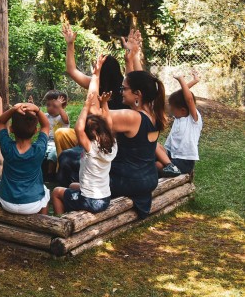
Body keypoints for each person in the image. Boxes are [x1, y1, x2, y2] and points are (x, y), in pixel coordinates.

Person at [52, 56, 118, 214]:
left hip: (90, 200)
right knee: (72, 186)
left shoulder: (91, 148)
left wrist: (86, 106)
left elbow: (78, 128)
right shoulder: (112, 145)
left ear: (88, 135)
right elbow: (108, 123)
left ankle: (62, 221)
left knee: (56, 192)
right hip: (105, 198)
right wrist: (104, 103)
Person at [105, 69, 168, 218]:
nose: (121, 92)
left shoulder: (132, 117)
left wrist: (95, 80)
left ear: (137, 94)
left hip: (129, 181)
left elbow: (95, 116)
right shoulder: (154, 113)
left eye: (124, 88)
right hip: (149, 178)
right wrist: (132, 58)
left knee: (76, 171)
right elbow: (143, 80)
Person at [0, 102, 50, 215]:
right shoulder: (39, 149)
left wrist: (13, 109)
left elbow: (0, 122)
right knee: (46, 191)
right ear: (35, 131)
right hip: (32, 204)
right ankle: (42, 219)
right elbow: (46, 126)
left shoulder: (6, 147)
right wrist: (37, 110)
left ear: (11, 129)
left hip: (7, 203)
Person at [156, 71, 202, 176]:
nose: (170, 111)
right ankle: (169, 166)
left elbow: (189, 99)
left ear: (183, 110)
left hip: (184, 162)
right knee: (154, 145)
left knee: (157, 165)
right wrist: (194, 81)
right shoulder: (179, 117)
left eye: (173, 109)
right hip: (170, 155)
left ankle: (169, 168)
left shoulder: (193, 119)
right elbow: (180, 94)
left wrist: (181, 79)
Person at [43, 91, 69, 178]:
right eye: (48, 105)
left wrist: (60, 107)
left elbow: (66, 120)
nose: (50, 108)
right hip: (47, 141)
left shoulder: (62, 116)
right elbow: (37, 116)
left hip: (58, 143)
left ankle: (50, 174)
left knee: (53, 153)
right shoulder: (46, 116)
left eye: (54, 106)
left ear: (63, 106)